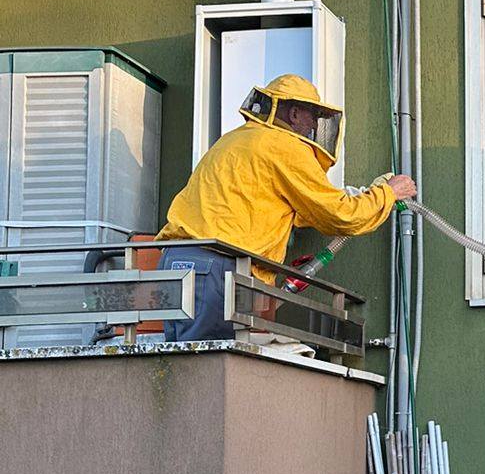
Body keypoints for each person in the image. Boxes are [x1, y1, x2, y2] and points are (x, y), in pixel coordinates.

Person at [155, 75, 414, 341]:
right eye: (313, 116)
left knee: (182, 358)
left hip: (174, 263)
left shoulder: (234, 140)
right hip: (218, 267)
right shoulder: (285, 146)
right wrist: (388, 193)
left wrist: (363, 195)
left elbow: (291, 206)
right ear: (294, 113)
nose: (315, 125)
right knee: (214, 360)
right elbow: (339, 215)